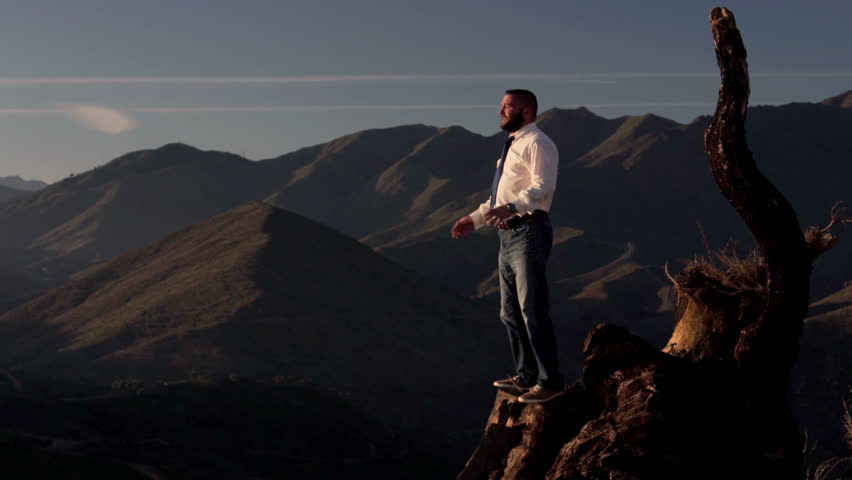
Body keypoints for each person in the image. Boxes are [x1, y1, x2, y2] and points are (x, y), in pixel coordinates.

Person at [450, 89, 564, 404]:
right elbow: (499, 199)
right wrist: (474, 219)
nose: (500, 111)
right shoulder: (512, 146)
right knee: (509, 312)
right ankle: (526, 376)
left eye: (507, 106)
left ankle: (550, 382)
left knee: (532, 310)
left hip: (529, 231)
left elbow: (544, 187)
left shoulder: (538, 143)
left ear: (526, 111)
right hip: (508, 235)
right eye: (501, 106)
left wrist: (512, 207)